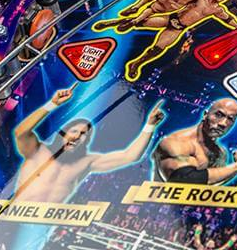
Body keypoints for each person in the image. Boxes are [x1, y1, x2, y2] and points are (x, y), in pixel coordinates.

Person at [13, 84, 165, 202]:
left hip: (43, 224)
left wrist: (149, 125)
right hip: (15, 216)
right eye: (74, 131)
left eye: (83, 134)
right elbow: (21, 132)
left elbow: (130, 156)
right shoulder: (38, 151)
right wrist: (52, 104)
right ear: (62, 133)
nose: (78, 136)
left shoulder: (86, 162)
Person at [93, 0, 237, 81]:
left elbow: (229, 19)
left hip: (178, 28)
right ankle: (112, 23)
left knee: (158, 48)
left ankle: (136, 64)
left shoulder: (217, 10)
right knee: (138, 22)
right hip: (172, 18)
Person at [153, 98, 237, 185]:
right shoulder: (176, 142)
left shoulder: (220, 153)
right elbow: (184, 180)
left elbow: (208, 186)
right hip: (157, 199)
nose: (223, 123)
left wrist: (236, 169)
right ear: (205, 115)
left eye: (230, 119)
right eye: (218, 115)